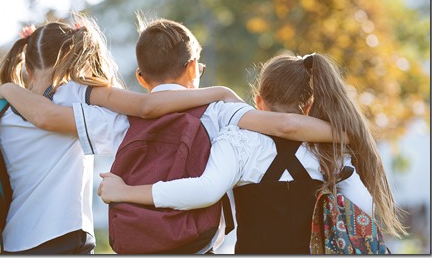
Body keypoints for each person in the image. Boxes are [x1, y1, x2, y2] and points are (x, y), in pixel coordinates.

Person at [0, 16, 338, 253]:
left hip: (138, 242)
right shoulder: (220, 110)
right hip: (202, 244)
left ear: (141, 78)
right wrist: (345, 133)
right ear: (192, 68)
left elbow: (54, 117)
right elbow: (283, 125)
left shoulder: (115, 121)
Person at [97, 53, 407, 254]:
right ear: (310, 105)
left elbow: (203, 191)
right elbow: (363, 207)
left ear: (258, 101)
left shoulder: (238, 141)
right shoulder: (330, 149)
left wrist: (126, 192)